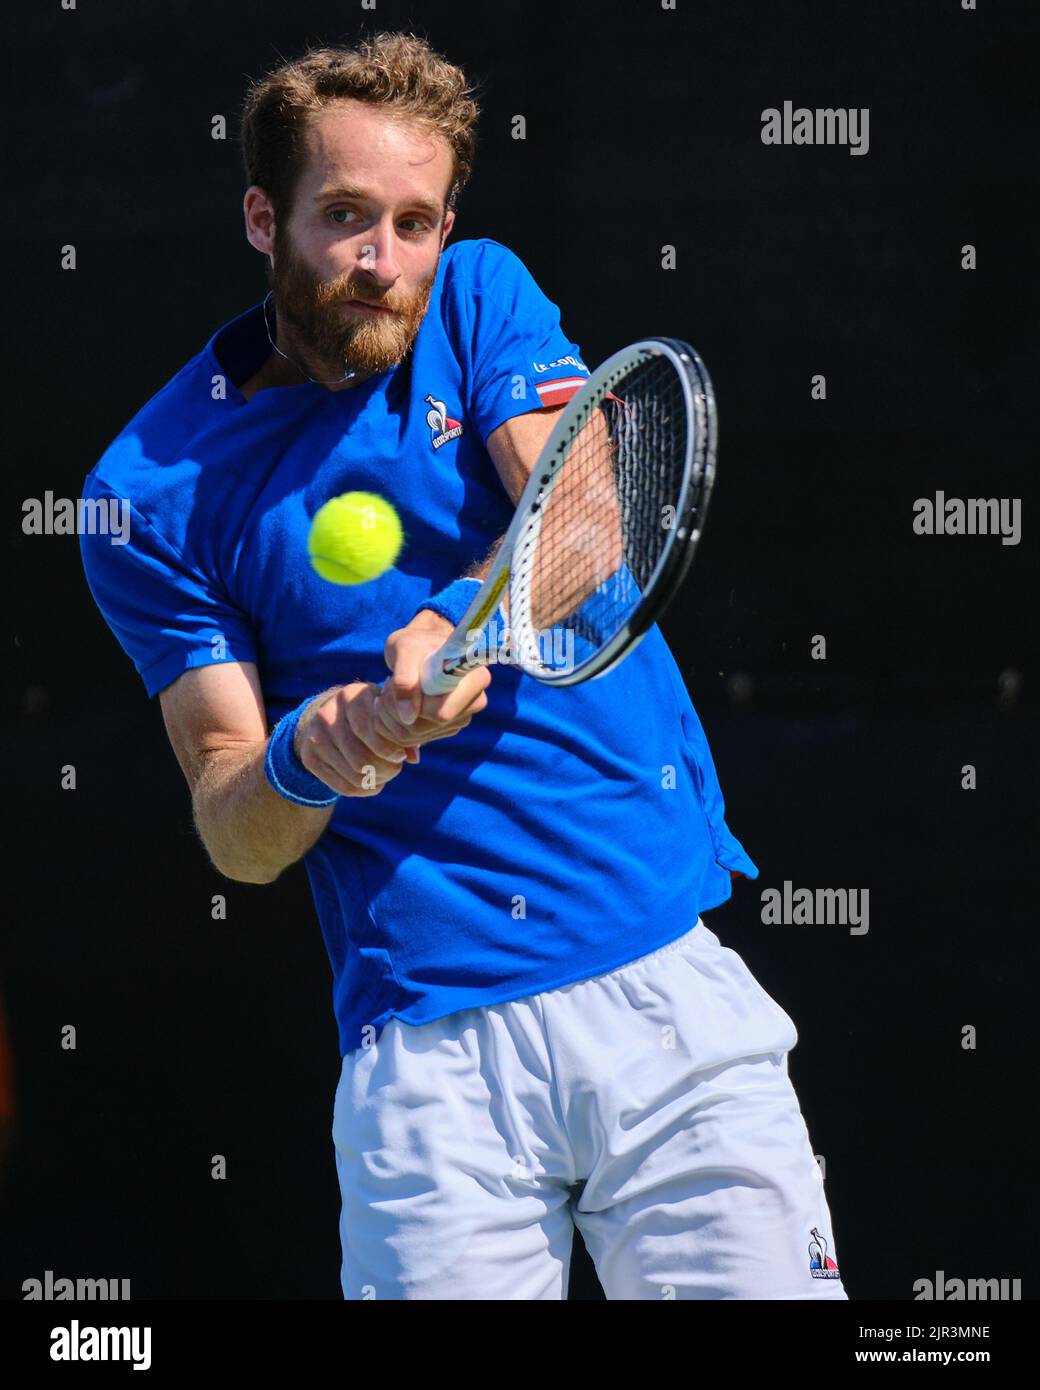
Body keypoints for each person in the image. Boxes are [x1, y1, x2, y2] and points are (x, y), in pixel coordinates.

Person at [78, 32, 846, 1300]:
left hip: (659, 990)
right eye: (342, 219)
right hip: (424, 1064)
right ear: (263, 218)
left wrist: (454, 624)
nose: (384, 262)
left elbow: (590, 516)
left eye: (414, 221)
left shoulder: (479, 295)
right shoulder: (145, 495)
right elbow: (235, 824)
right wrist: (309, 752)